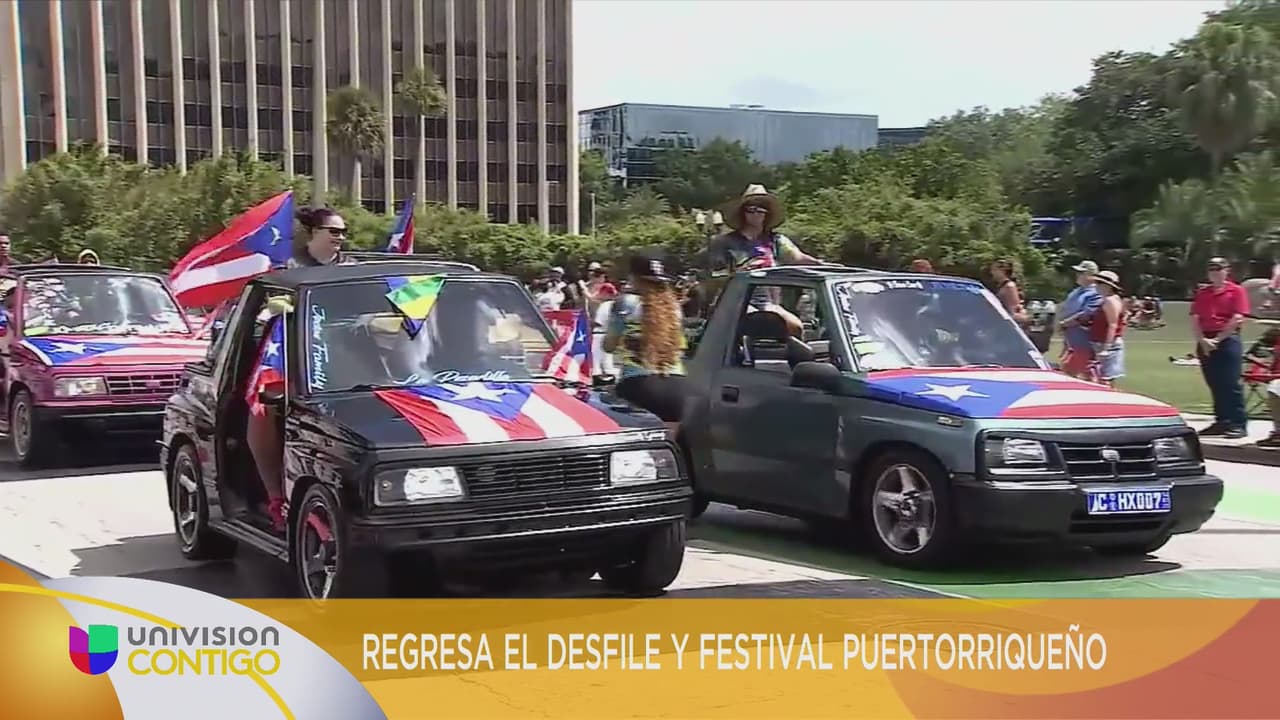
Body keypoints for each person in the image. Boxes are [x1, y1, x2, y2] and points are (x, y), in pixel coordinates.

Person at [710, 184, 823, 335]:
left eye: (761, 209)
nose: (756, 213)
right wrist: (739, 273)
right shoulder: (725, 242)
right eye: (750, 209)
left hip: (768, 303)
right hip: (735, 301)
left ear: (767, 213)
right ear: (743, 213)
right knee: (760, 324)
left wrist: (822, 264)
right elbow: (715, 277)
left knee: (795, 327)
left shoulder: (776, 240)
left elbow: (798, 258)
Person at [604, 249, 687, 436]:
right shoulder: (675, 308)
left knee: (636, 449)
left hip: (637, 386)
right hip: (679, 387)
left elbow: (608, 346)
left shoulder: (626, 303)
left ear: (633, 277)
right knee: (670, 446)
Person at [246, 295, 292, 531]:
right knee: (266, 407)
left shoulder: (393, 287)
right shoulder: (285, 285)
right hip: (295, 360)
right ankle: (277, 500)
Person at [1192, 257, 1249, 439]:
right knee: (1214, 383)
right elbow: (1195, 317)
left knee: (1230, 383)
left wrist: (1217, 340)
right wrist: (1202, 340)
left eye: (1219, 269)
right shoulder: (1203, 292)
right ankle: (1222, 421)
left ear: (1226, 271)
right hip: (1205, 339)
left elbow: (1237, 317)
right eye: (1211, 269)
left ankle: (1238, 423)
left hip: (1227, 339)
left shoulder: (1236, 290)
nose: (1215, 273)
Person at [1057, 260, 1104, 380]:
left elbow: (1086, 315)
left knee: (1072, 373)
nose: (1078, 275)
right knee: (1074, 373)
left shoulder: (1096, 293)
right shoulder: (1076, 291)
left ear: (1092, 276)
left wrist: (1064, 323)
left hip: (1084, 341)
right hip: (1072, 341)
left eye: (1082, 273)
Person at [1090, 271, 1127, 387]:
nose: (1096, 285)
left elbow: (1112, 325)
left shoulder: (1111, 301)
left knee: (1105, 379)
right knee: (1099, 377)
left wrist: (1106, 348)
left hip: (1107, 344)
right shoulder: (1107, 300)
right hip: (1100, 343)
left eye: (1099, 283)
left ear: (1108, 286)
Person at [288, 207, 353, 267]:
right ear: (315, 231)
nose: (341, 237)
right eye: (334, 231)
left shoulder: (350, 265)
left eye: (344, 232)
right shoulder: (291, 264)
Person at [989, 258, 1030, 327]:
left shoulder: (1009, 286)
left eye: (994, 269)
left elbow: (1013, 311)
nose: (992, 272)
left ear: (1002, 271)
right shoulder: (1002, 286)